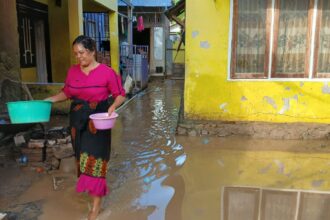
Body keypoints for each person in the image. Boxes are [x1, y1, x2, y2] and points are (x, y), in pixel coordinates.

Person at [46, 35, 126, 220]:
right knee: (82, 159)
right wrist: (48, 100)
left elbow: (120, 94)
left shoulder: (107, 72)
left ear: (92, 52)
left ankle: (96, 207)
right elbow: (66, 92)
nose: (79, 57)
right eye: (76, 54)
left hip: (98, 122)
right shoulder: (72, 72)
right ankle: (92, 194)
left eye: (82, 53)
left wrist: (113, 106)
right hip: (77, 123)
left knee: (95, 160)